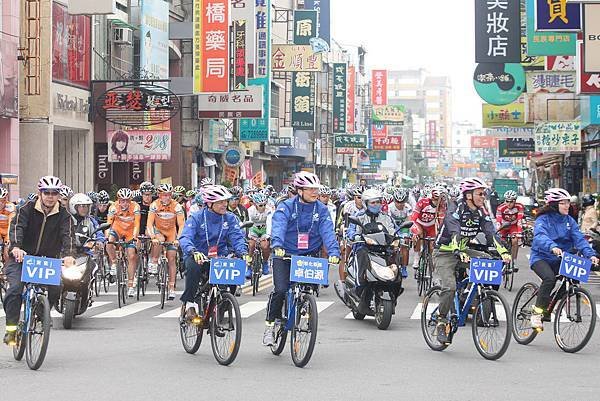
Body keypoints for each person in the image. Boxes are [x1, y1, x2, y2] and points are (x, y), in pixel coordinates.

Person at [262, 172, 340, 346]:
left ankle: (303, 306)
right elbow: (279, 226)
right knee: (281, 290)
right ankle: (270, 326)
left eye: (316, 189)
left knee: (309, 290)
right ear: (299, 190)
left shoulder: (322, 209)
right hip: (285, 254)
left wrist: (334, 252)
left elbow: (327, 231)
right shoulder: (286, 207)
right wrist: (277, 245)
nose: (314, 192)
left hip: (309, 255)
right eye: (310, 189)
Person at [433, 177, 511, 344]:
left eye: (484, 194)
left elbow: (491, 233)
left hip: (463, 250)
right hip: (445, 251)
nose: (484, 197)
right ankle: (441, 320)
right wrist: (456, 249)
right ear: (469, 195)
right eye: (480, 194)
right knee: (450, 286)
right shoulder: (455, 207)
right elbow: (454, 229)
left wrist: (503, 252)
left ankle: (471, 292)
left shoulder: (481, 211)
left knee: (488, 260)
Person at [3, 176, 76, 345]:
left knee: (56, 287)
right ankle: (11, 330)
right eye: (47, 192)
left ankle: (40, 314)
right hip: (23, 257)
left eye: (54, 193)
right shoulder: (25, 208)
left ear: (58, 195)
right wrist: (16, 247)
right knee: (14, 291)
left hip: (47, 260)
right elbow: (17, 227)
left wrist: (69, 254)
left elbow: (68, 235)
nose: (50, 196)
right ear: (40, 193)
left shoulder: (64, 215)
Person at [529, 188, 599, 330]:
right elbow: (540, 236)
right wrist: (552, 247)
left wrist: (590, 254)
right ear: (554, 204)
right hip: (541, 257)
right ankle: (536, 314)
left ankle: (548, 303)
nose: (567, 206)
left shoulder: (569, 221)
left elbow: (579, 239)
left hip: (562, 258)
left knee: (573, 279)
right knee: (549, 279)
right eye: (563, 203)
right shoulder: (543, 219)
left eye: (568, 203)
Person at [178, 185, 248, 320]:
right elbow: (185, 237)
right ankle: (189, 304)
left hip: (220, 256)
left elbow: (237, 237)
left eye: (225, 201)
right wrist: (192, 251)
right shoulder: (196, 218)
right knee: (193, 267)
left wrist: (242, 252)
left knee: (233, 271)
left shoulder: (230, 218)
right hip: (198, 255)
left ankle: (223, 305)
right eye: (220, 202)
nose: (224, 205)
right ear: (209, 203)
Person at [346, 188, 397, 293]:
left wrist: (398, 237)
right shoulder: (359, 217)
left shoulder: (386, 217)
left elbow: (393, 230)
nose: (376, 204)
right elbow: (351, 230)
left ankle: (394, 283)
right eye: (373, 202)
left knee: (394, 255)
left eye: (378, 202)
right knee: (361, 254)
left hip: (383, 248)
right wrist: (355, 236)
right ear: (365, 203)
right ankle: (359, 284)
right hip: (364, 247)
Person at [146, 183, 185, 300]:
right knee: (159, 240)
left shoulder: (177, 206)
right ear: (159, 195)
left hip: (171, 232)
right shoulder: (154, 205)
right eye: (164, 195)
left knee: (172, 258)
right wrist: (152, 236)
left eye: (168, 195)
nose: (166, 197)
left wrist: (178, 239)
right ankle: (154, 260)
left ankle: (172, 288)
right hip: (158, 231)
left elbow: (182, 224)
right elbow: (149, 223)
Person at [106, 188, 140, 297]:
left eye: (127, 200)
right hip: (118, 229)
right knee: (109, 242)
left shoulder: (135, 207)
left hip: (130, 231)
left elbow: (137, 223)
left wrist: (135, 236)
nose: (125, 203)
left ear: (130, 200)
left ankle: (130, 284)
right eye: (122, 200)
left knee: (131, 255)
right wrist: (107, 236)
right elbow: (108, 224)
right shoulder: (113, 207)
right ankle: (114, 262)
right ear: (118, 200)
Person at [410, 186, 443, 272]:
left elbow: (442, 220)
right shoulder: (423, 202)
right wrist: (413, 228)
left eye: (441, 200)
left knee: (432, 245)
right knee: (418, 234)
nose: (439, 202)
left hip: (431, 226)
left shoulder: (442, 206)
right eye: (437, 200)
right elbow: (414, 216)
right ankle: (417, 256)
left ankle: (431, 261)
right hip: (419, 223)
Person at [495, 190, 524, 270]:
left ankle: (514, 261)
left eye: (511, 201)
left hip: (513, 226)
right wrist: (498, 231)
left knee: (515, 241)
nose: (509, 203)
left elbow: (519, 221)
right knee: (500, 242)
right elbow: (498, 221)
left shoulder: (519, 207)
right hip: (503, 226)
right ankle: (500, 259)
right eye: (507, 201)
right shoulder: (501, 208)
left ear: (515, 201)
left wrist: (519, 234)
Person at [387, 188, 412, 278]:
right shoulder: (390, 207)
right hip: (393, 227)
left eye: (402, 202)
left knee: (404, 244)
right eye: (398, 202)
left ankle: (404, 268)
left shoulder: (408, 207)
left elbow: (410, 220)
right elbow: (387, 221)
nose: (400, 204)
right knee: (392, 246)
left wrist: (410, 232)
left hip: (404, 227)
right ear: (394, 200)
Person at [246, 192, 272, 277]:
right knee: (251, 245)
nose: (263, 207)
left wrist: (267, 235)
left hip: (264, 230)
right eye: (260, 205)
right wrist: (251, 236)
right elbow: (248, 223)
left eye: (264, 204)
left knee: (265, 246)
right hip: (253, 229)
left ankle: (265, 262)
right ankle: (249, 266)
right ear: (255, 204)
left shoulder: (269, 210)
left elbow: (269, 223)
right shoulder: (250, 210)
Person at [0, 186, 16, 261]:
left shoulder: (10, 207)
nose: (0, 203)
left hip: (7, 230)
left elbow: (11, 222)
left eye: (2, 201)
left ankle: (7, 267)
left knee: (7, 251)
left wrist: (8, 239)